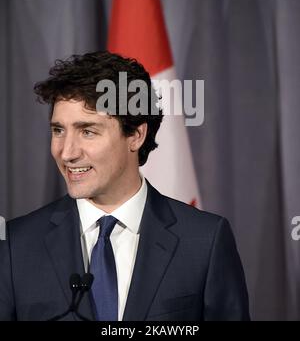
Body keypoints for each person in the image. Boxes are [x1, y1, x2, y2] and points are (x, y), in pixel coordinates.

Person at [0, 51, 250, 321]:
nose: (66, 152)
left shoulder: (204, 242)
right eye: (58, 130)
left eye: (87, 131)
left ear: (135, 135)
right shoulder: (17, 244)